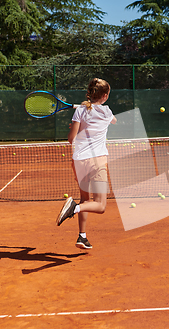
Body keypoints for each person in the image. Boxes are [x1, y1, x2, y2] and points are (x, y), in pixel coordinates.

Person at [56, 77, 117, 249]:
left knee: (85, 199)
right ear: (104, 96)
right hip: (97, 161)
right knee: (101, 205)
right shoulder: (106, 112)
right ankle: (73, 208)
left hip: (79, 161)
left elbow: (70, 139)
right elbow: (114, 121)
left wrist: (79, 122)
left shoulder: (80, 112)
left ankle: (82, 236)